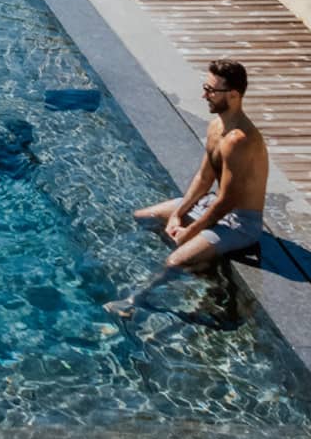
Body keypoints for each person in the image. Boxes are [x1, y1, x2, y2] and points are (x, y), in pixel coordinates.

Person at [108, 59, 268, 316]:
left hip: (240, 223)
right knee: (143, 217)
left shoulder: (239, 140)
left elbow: (228, 199)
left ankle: (132, 303)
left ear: (234, 95)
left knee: (174, 261)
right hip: (215, 205)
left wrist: (189, 231)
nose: (204, 95)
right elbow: (204, 178)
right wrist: (177, 214)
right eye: (205, 87)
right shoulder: (216, 126)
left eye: (211, 90)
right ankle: (200, 262)